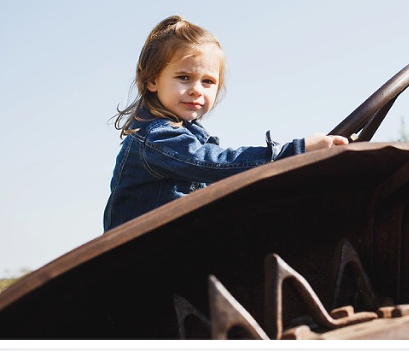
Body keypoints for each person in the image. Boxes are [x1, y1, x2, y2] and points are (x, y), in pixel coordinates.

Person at [103, 16, 348, 231]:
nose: (196, 90)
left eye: (207, 81)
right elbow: (217, 164)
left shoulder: (190, 134)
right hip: (142, 257)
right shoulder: (157, 138)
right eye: (184, 77)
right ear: (152, 81)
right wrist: (296, 151)